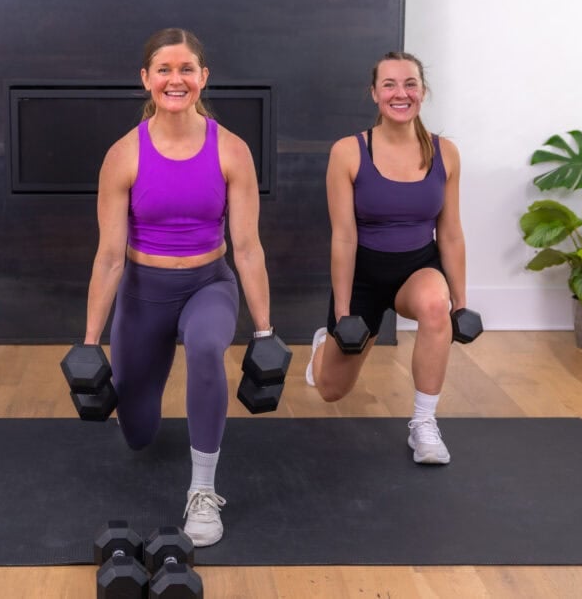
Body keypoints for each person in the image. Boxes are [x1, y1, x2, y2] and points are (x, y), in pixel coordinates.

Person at [82, 28, 274, 547]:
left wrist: (264, 331)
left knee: (209, 347)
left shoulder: (231, 150)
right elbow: (107, 256)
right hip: (143, 294)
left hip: (207, 285)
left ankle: (204, 491)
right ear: (146, 79)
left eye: (186, 69)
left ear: (203, 77)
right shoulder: (123, 155)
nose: (175, 79)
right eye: (163, 70)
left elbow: (249, 248)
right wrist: (89, 342)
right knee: (138, 433)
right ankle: (141, 409)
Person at [305, 51, 467, 465]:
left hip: (417, 268)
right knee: (331, 390)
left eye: (410, 84)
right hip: (363, 273)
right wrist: (343, 314)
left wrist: (460, 304)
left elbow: (449, 233)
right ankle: (323, 348)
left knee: (436, 305)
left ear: (423, 92)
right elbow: (343, 237)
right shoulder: (349, 151)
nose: (401, 93)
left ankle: (423, 425)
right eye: (390, 85)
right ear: (374, 93)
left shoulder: (444, 153)